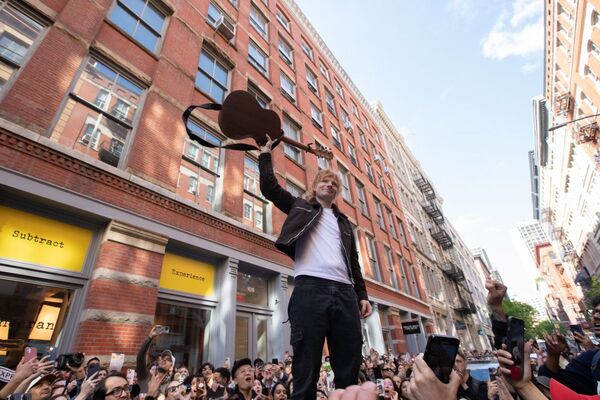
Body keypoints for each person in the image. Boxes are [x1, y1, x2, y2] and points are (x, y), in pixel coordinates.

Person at [258, 134, 372, 400]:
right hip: (310, 288)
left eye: (334, 184)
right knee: (306, 366)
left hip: (346, 293)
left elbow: (353, 260)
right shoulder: (300, 206)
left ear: (337, 192)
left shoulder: (345, 223)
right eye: (325, 181)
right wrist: (265, 154)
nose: (330, 185)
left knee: (349, 362)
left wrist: (362, 295)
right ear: (316, 185)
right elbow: (270, 188)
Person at [136, 325, 174, 393]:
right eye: (162, 358)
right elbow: (140, 358)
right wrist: (150, 337)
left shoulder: (169, 388)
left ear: (171, 367)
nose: (164, 360)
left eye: (168, 359)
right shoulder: (145, 375)